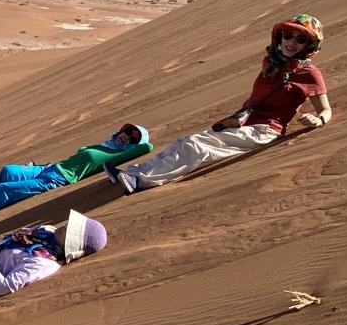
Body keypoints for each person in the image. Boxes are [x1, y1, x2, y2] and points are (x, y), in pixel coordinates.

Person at [105, 14, 331, 194]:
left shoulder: (310, 73)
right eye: (288, 35)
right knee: (184, 142)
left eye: (300, 39)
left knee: (198, 147)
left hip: (265, 131)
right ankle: (132, 172)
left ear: (309, 46)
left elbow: (325, 109)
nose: (291, 42)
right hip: (241, 121)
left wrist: (318, 119)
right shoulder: (271, 62)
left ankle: (140, 181)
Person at [0, 124, 152, 224]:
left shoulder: (116, 154)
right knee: (8, 171)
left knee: (5, 189)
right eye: (127, 132)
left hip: (57, 179)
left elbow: (148, 147)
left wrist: (140, 142)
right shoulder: (105, 145)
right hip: (49, 167)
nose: (127, 137)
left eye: (133, 139)